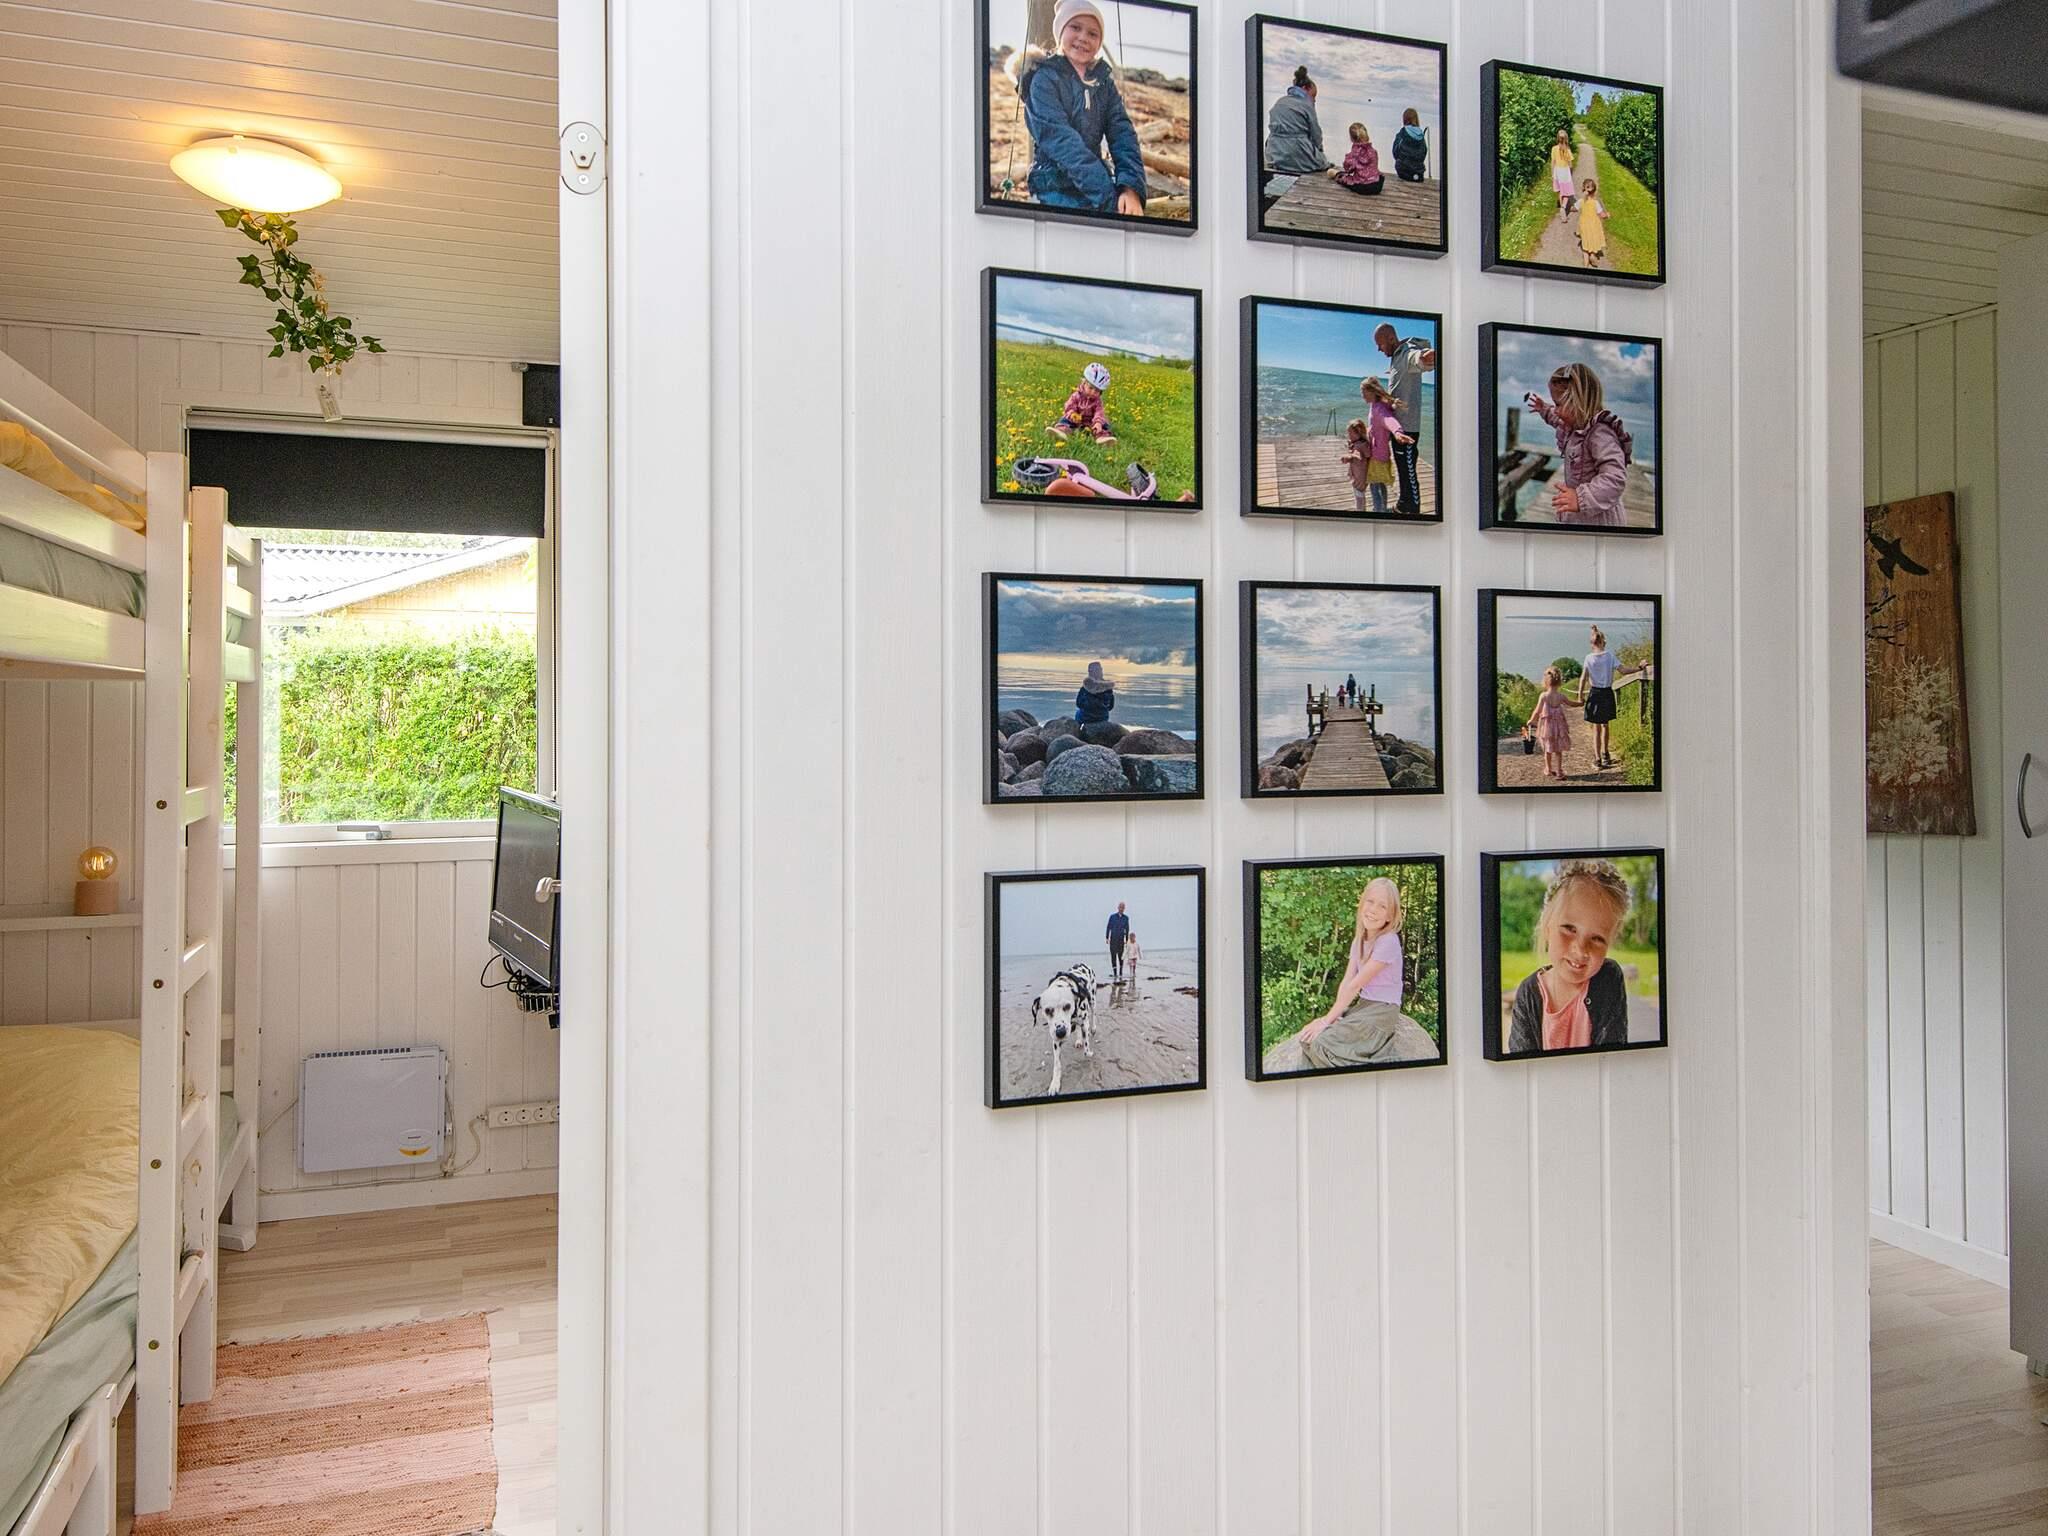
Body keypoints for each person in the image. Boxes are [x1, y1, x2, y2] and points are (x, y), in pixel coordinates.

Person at [1019, 0, 1148, 217]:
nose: (1083, 37)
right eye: (1075, 27)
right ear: (1060, 31)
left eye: (1093, 33)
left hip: (1095, 185)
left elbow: (1123, 135)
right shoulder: (1043, 79)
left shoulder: (1104, 83)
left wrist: (1130, 189)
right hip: (1053, 186)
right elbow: (1063, 143)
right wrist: (1109, 200)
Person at [1505, 860, 1633, 1054]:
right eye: (1569, 929)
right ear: (1547, 926)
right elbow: (1521, 1060)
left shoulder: (1608, 977)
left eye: (1597, 938)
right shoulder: (1529, 992)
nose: (1580, 950)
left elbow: (1612, 1056)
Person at [1297, 877, 1407, 1069]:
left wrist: (1325, 1021)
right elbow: (1347, 981)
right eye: (1370, 901)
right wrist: (1332, 1016)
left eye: (1382, 906)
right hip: (1363, 1006)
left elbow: (1356, 985)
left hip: (1381, 1011)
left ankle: (1375, 1066)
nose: (1373, 910)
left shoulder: (1388, 941)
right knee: (1308, 1040)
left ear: (1390, 916)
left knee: (1321, 1045)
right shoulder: (1359, 941)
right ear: (1362, 903)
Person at [1524, 362, 1632, 527]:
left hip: (1600, 519)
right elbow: (1555, 418)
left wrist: (1580, 498)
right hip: (1578, 511)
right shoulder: (1573, 425)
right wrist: (1543, 408)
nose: (1556, 410)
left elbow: (1614, 477)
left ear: (1578, 401)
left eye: (1558, 404)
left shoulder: (1600, 434)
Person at [1373, 323, 1438, 515]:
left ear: (1391, 339)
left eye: (1380, 344)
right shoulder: (1396, 357)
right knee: (1402, 469)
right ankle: (1403, 504)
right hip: (1398, 427)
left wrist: (1425, 358)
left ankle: (1413, 511)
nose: (1379, 349)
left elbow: (1417, 358)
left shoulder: (1407, 352)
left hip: (1407, 428)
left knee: (1408, 472)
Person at [1264, 65, 1331, 176]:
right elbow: (1316, 135)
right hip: (1298, 153)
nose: (1314, 100)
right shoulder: (1307, 105)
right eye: (1313, 96)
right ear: (1305, 88)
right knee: (1323, 161)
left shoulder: (1280, 102)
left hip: (1275, 155)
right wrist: (1319, 151)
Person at [1576, 625, 1621, 770]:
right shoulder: (1610, 656)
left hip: (1595, 693)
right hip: (1607, 693)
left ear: (1592, 643)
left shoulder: (1589, 658)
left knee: (1596, 728)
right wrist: (1639, 668)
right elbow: (1624, 670)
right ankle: (1606, 754)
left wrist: (1580, 696)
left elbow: (1583, 678)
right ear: (1603, 642)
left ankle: (1597, 759)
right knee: (1605, 725)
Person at [1047, 361, 1117, 445]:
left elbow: (1099, 412)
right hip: (1076, 419)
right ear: (1084, 383)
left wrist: (1098, 422)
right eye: (1090, 388)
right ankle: (1062, 431)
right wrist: (1072, 414)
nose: (1093, 392)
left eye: (1097, 391)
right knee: (1065, 419)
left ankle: (1102, 437)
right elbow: (1069, 406)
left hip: (1091, 422)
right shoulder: (1076, 395)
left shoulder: (1098, 401)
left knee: (1104, 424)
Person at [1524, 665, 1573, 781]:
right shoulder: (1561, 696)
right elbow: (1571, 703)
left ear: (1545, 681)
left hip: (1547, 728)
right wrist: (1581, 703)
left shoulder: (1544, 696)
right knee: (1558, 750)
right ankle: (1559, 771)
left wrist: (1532, 720)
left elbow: (1537, 711)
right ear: (1559, 681)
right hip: (1559, 728)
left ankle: (1548, 769)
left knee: (1547, 749)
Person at [1336, 123, 1383, 196]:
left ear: (1351, 138)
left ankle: (1336, 175)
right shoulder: (1373, 151)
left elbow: (1348, 169)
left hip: (1363, 187)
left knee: (1344, 179)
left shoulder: (1355, 153)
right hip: (1377, 186)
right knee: (1380, 176)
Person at [1576, 176, 1609, 267]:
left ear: (1583, 189)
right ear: (1594, 191)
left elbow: (1574, 208)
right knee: (1593, 240)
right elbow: (1602, 215)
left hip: (1584, 225)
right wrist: (1607, 215)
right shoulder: (1595, 203)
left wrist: (1569, 208)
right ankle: (1593, 255)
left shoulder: (1581, 201)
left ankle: (1585, 264)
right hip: (1594, 225)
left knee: (1585, 244)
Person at [1391, 107, 1430, 182]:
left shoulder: (1402, 132)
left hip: (1403, 171)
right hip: (1418, 173)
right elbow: (1424, 152)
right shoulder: (1421, 135)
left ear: (1404, 119)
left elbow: (1395, 151)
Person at [1074, 660, 1115, 727]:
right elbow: (1110, 707)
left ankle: (1077, 729)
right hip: (1102, 718)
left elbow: (1079, 703)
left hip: (1086, 717)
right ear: (1101, 671)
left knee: (1078, 713)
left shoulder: (1086, 687)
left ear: (1090, 672)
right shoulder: (1108, 687)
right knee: (1105, 713)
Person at [1549, 128, 1576, 218]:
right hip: (1565, 172)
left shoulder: (1554, 148)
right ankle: (1563, 208)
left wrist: (1552, 173)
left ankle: (1561, 207)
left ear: (1557, 138)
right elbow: (1570, 165)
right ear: (1566, 139)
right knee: (1567, 192)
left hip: (1557, 171)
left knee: (1560, 191)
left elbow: (1553, 162)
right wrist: (1571, 173)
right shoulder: (1567, 150)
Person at [1106, 901, 1131, 982]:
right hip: (1113, 939)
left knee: (1121, 957)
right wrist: (1107, 937)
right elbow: (1108, 927)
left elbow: (1127, 929)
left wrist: (1127, 940)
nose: (1121, 909)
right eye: (1120, 907)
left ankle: (1120, 973)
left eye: (1123, 907)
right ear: (1118, 908)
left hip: (1121, 940)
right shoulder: (1112, 917)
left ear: (1124, 909)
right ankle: (1115, 973)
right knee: (1113, 956)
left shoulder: (1126, 918)